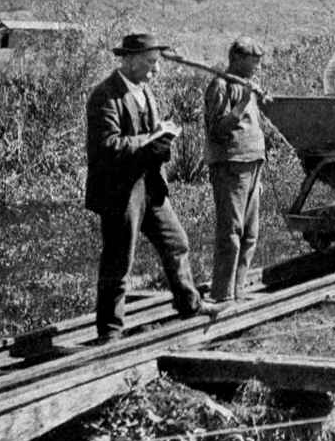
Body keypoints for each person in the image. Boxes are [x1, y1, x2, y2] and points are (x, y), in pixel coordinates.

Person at [84, 33, 218, 343]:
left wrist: (161, 137)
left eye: (157, 64)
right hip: (120, 192)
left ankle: (190, 305)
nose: (155, 70)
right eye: (150, 63)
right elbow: (107, 145)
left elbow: (145, 139)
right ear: (129, 60)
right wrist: (149, 142)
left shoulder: (145, 92)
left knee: (176, 243)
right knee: (118, 261)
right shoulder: (105, 96)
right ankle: (110, 333)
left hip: (151, 186)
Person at [203, 36, 267, 304]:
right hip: (231, 165)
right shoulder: (221, 85)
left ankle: (237, 290)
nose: (257, 69)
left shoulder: (246, 85)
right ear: (237, 59)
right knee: (231, 233)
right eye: (253, 63)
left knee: (250, 234)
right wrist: (242, 103)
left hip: (253, 164)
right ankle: (221, 293)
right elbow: (216, 129)